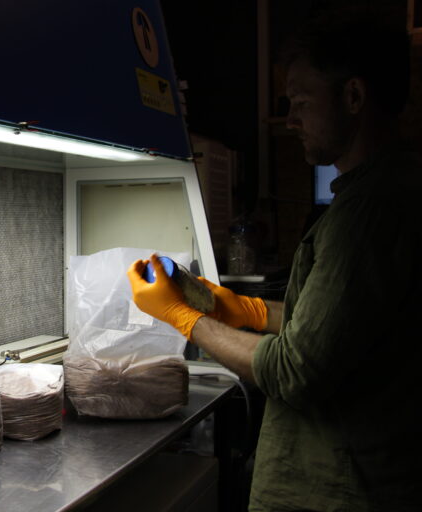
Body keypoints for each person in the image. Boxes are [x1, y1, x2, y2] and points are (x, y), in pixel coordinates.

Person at [127, 10, 422, 512]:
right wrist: (244, 309)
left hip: (341, 492)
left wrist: (184, 317)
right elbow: (336, 325)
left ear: (353, 96)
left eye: (301, 102)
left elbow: (293, 370)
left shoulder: (369, 212)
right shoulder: (384, 190)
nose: (290, 120)